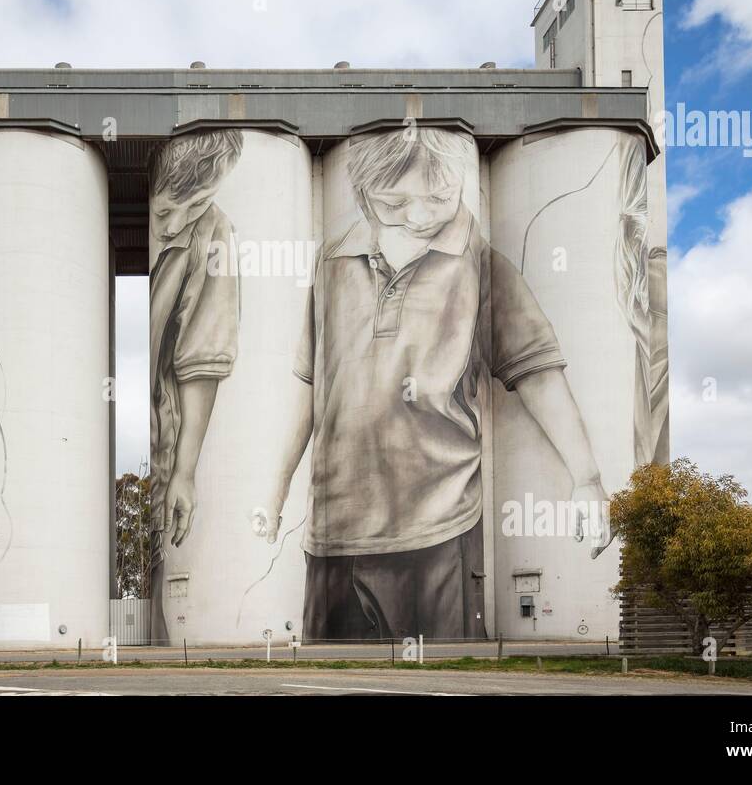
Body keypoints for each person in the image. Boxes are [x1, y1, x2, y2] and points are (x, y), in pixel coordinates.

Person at [260, 126, 613, 642]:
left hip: (438, 532)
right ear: (362, 192)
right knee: (332, 679)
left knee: (443, 677)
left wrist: (587, 479)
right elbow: (310, 389)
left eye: (438, 197)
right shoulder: (332, 260)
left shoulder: (479, 263)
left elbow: (537, 371)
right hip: (333, 537)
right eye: (396, 201)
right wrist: (274, 496)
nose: (421, 215)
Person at [148, 129, 241, 642]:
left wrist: (184, 472)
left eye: (198, 204)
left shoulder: (215, 231)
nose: (177, 224)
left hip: (164, 441)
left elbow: (199, 360)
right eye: (163, 213)